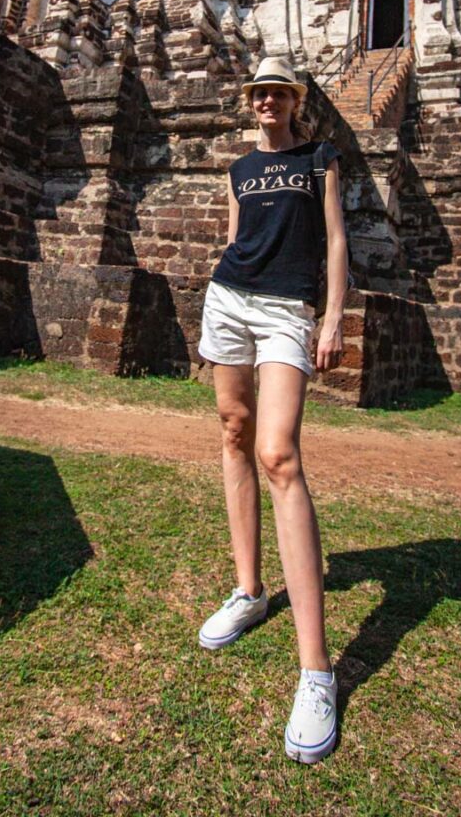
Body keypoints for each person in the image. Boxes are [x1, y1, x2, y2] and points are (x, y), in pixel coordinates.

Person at [197, 55, 348, 764]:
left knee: (278, 454)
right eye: (258, 92)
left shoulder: (320, 158)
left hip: (288, 308)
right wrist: (219, 288)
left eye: (277, 93)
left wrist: (332, 318)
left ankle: (316, 671)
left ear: (294, 101)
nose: (266, 101)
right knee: (232, 432)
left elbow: (336, 239)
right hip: (228, 300)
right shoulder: (236, 170)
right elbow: (234, 240)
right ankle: (250, 590)